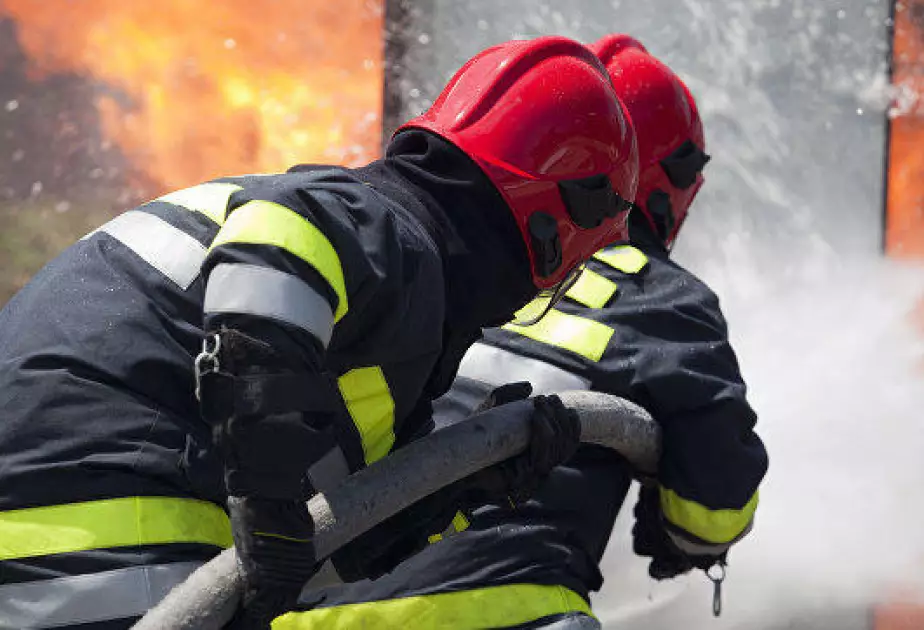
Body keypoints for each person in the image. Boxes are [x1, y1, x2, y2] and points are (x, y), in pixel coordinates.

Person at [0, 36, 640, 629]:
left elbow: (320, 553)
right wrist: (267, 497)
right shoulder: (385, 230)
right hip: (101, 528)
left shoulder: (370, 311)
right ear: (555, 226)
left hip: (51, 543)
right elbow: (278, 245)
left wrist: (466, 485)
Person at [278, 35, 769, 630]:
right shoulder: (659, 297)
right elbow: (711, 511)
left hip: (305, 610)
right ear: (667, 181)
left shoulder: (428, 264)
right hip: (498, 614)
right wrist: (676, 524)